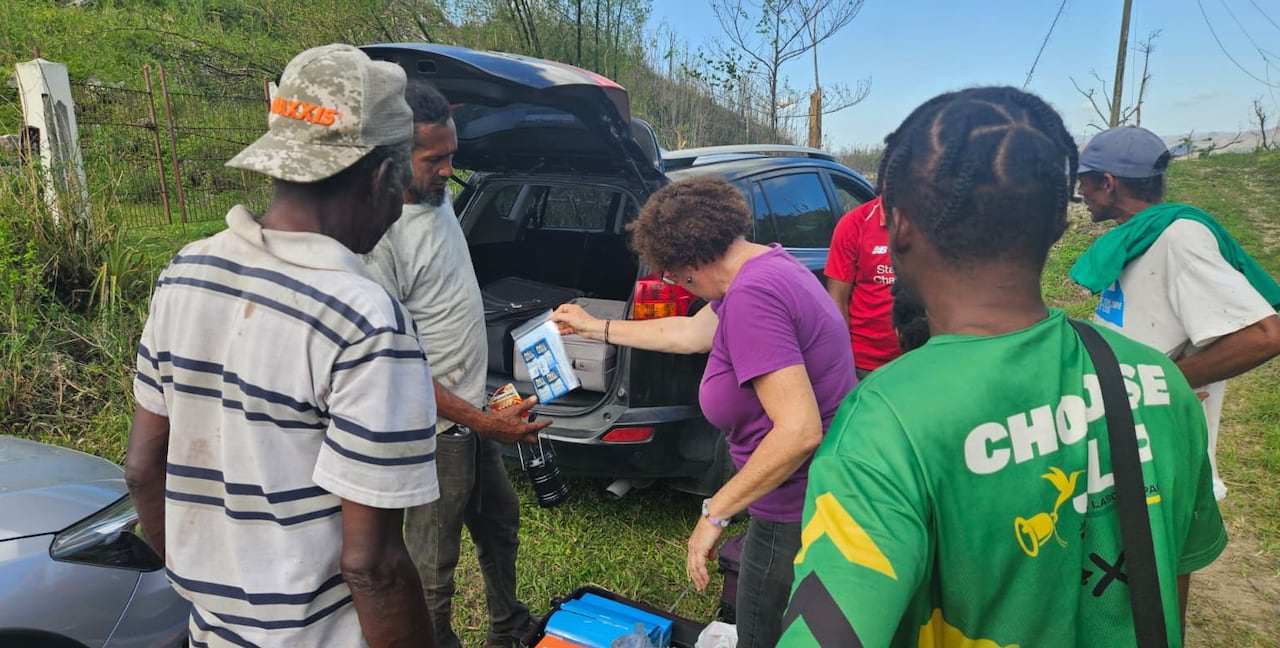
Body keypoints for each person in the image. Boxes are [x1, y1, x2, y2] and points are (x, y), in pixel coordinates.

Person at [779, 87, 1226, 647]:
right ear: (1059, 229)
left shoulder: (885, 423)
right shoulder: (1161, 382)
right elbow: (1172, 578)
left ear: (898, 228)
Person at [125, 44, 439, 648]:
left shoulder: (186, 271)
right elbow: (372, 565)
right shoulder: (365, 318)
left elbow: (143, 471)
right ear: (381, 177)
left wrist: (208, 591)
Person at [551, 176, 855, 648]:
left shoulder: (754, 297)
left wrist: (714, 515)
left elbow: (798, 431)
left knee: (763, 634)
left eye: (675, 275)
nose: (676, 283)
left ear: (693, 258)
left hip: (792, 506)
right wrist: (597, 329)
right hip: (808, 495)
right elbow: (689, 335)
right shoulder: (764, 267)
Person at [363, 79, 550, 648]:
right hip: (436, 431)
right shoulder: (379, 237)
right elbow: (393, 365)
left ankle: (508, 630)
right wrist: (480, 421)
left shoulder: (439, 205)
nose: (449, 170)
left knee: (499, 525)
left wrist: (489, 408)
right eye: (435, 159)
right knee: (432, 565)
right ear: (394, 158)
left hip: (474, 415)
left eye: (453, 156)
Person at [1070, 125, 1280, 500]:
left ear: (1107, 182)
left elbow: (1264, 335)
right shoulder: (1139, 238)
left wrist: (1167, 380)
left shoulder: (1179, 238)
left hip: (1163, 462)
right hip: (1132, 448)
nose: (1080, 192)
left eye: (1083, 181)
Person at [825, 191, 901, 378]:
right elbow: (837, 299)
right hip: (865, 364)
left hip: (918, 358)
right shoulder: (854, 224)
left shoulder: (931, 223)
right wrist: (844, 360)